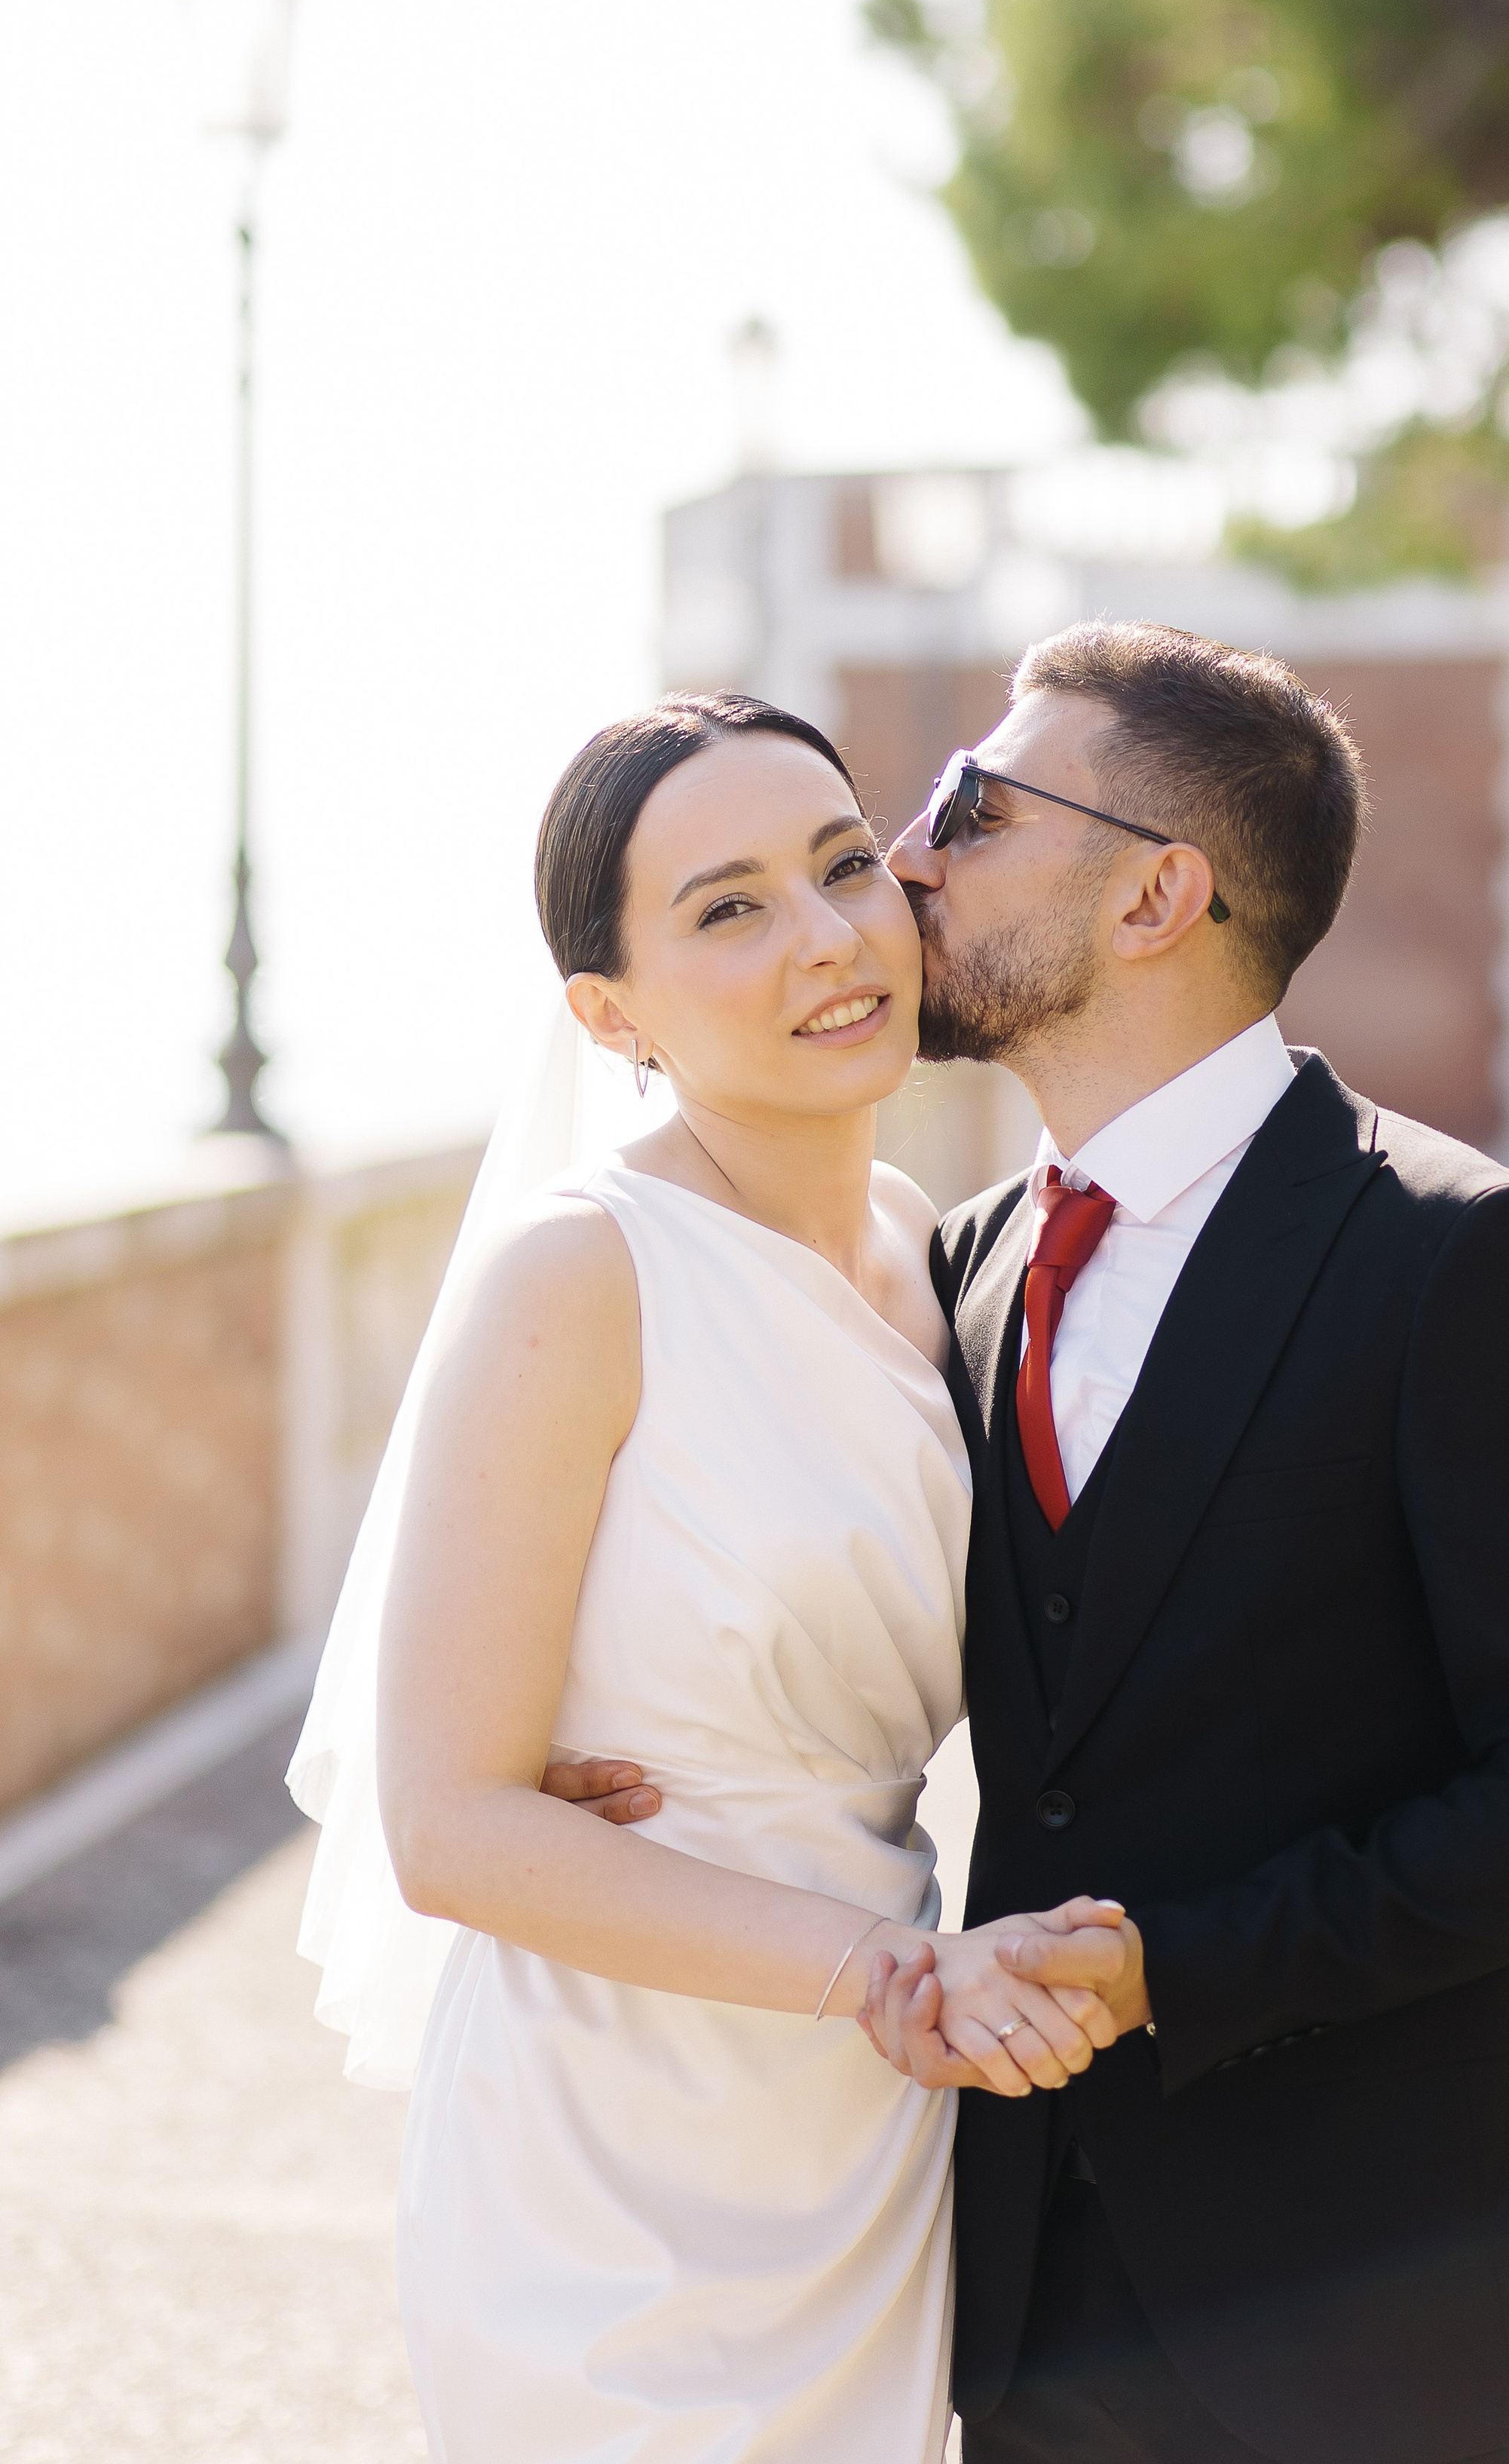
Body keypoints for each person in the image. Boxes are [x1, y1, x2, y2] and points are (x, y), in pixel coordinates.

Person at [554, 621, 1509, 2464]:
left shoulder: (1464, 1261)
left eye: (968, 808)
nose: (905, 861)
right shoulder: (962, 1260)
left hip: (1386, 2314)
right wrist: (640, 1746)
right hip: (1022, 2297)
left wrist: (1176, 1962)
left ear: (1158, 893)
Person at [309, 692, 1123, 2464]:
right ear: (610, 1015)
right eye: (728, 906)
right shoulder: (580, 1276)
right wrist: (877, 1972)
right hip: (612, 2145)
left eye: (844, 866)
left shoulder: (935, 1254)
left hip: (868, 2134)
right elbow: (446, 1824)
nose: (830, 940)